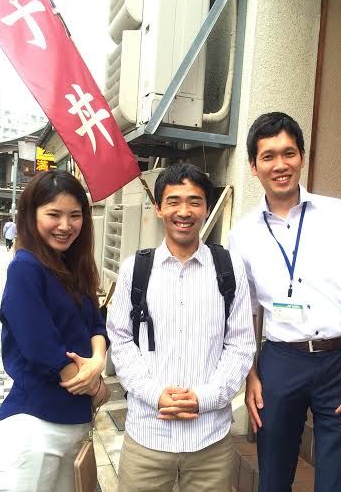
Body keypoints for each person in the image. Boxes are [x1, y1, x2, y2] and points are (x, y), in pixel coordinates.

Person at [228, 112, 341, 492]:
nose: (280, 165)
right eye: (268, 156)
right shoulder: (242, 234)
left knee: (337, 481)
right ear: (253, 166)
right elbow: (243, 313)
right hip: (281, 361)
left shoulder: (339, 214)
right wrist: (250, 374)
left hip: (340, 361)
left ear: (302, 157)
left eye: (289, 153)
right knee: (273, 476)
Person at [107, 163, 256, 492]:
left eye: (194, 201)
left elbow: (241, 343)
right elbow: (121, 341)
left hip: (210, 442)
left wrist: (206, 397)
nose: (184, 212)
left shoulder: (229, 268)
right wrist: (154, 394)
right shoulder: (136, 269)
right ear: (158, 208)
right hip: (147, 437)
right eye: (173, 201)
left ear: (207, 208)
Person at [0, 170, 109, 492]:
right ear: (32, 215)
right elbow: (43, 351)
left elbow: (96, 324)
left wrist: (97, 362)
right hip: (34, 430)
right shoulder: (25, 268)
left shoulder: (73, 266)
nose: (65, 225)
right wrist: (95, 387)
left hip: (75, 427)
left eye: (75, 215)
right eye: (54, 214)